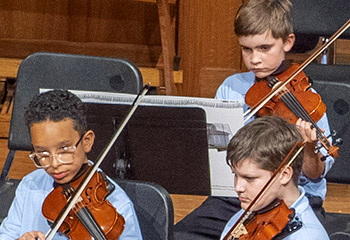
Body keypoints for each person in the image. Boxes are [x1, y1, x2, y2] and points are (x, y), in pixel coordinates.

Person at [174, 0, 334, 239]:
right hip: (235, 195)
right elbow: (218, 152)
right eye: (247, 49)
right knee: (182, 234)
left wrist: (309, 147)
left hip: (291, 197)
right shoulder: (231, 88)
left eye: (264, 48)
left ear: (287, 42)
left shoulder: (305, 100)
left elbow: (314, 174)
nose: (254, 59)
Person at [0, 89, 143, 240]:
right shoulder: (30, 185)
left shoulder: (118, 205)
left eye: (64, 150)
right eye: (42, 153)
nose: (54, 164)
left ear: (86, 141)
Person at [220, 116, 329, 240]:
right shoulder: (242, 217)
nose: (238, 187)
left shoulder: (307, 236)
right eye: (235, 175)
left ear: (284, 174)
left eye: (249, 178)